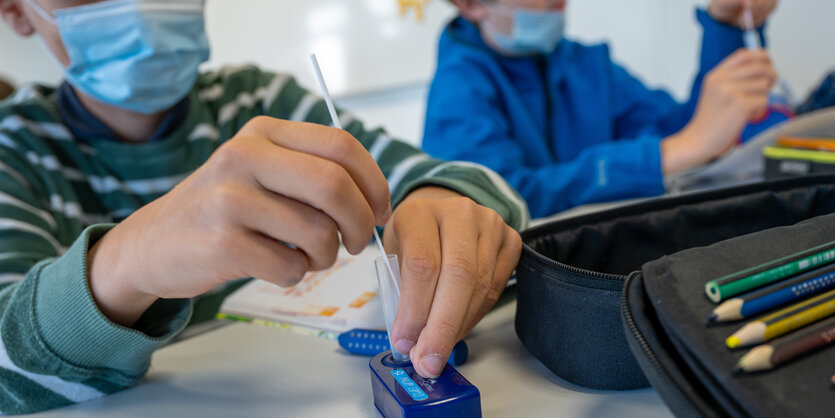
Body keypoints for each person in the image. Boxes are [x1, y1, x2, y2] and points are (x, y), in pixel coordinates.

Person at [0, 0, 529, 413]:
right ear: (15, 11)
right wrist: (128, 262)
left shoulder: (261, 102)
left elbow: (466, 181)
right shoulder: (14, 153)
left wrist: (445, 202)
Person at [423, 0, 780, 217]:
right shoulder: (458, 90)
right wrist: (667, 154)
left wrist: (726, 28)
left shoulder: (585, 64)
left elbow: (691, 131)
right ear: (470, 5)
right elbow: (496, 199)